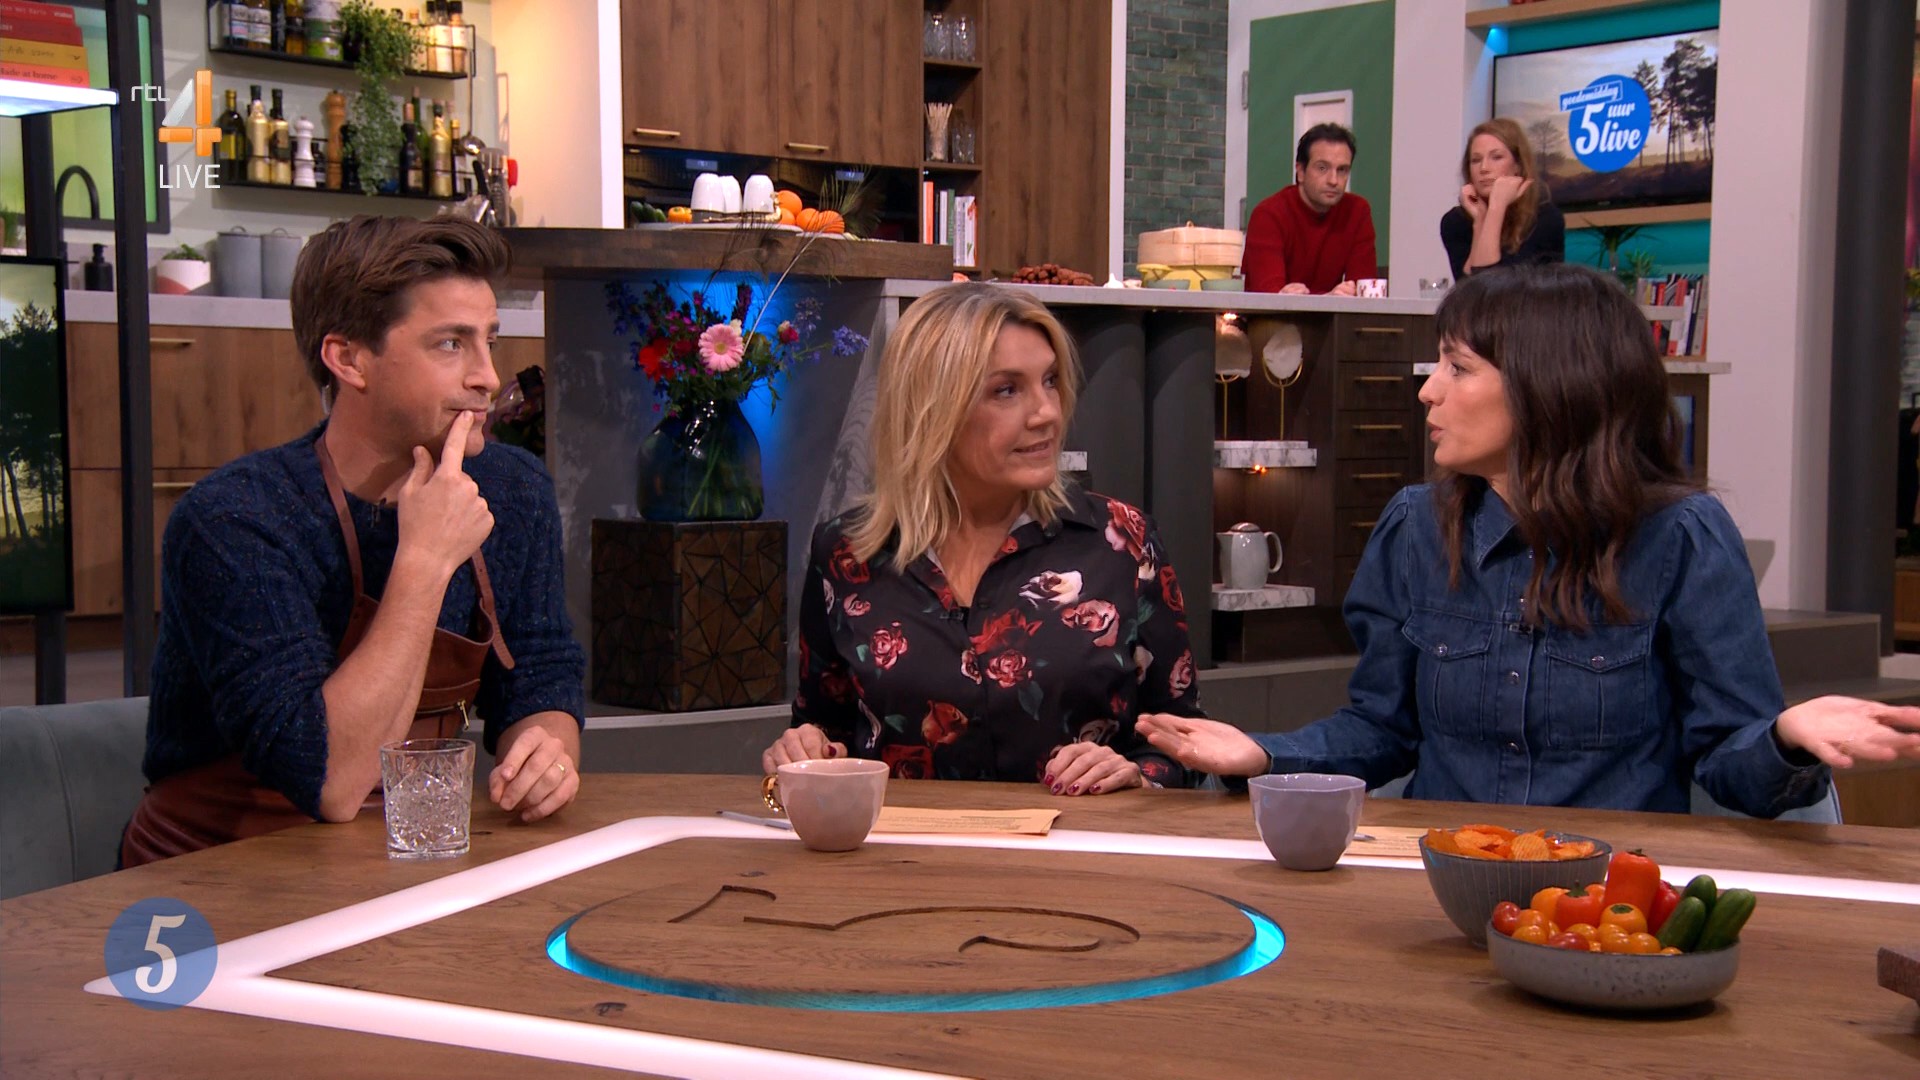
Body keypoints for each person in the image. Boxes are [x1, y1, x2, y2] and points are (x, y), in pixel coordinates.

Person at [1140, 264, 1920, 816]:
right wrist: (1264, 754)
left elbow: (1732, 767)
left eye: (1457, 368)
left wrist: (1786, 738)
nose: (1428, 390)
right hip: (1443, 879)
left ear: (1551, 388)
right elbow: (1381, 731)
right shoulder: (1416, 527)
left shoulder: (1682, 538)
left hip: (1606, 905)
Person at [123, 216, 586, 866]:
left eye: (489, 340)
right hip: (217, 874)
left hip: (399, 852)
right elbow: (330, 781)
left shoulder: (513, 490)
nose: (487, 375)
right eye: (450, 344)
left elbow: (540, 673)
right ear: (348, 359)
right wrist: (424, 558)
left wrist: (547, 750)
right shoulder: (235, 520)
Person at [760, 284, 1202, 794]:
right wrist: (805, 750)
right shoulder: (844, 552)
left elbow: (1186, 746)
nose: (1047, 412)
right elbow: (826, 727)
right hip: (900, 845)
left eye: (1051, 381)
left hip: (1077, 842)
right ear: (932, 410)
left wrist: (1137, 777)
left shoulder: (1123, 541)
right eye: (1007, 390)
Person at [1240, 123, 1378, 296]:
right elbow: (1269, 297)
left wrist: (1330, 300)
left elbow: (1364, 293)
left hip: (1329, 314)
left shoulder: (1357, 211)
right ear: (1300, 172)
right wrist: (1327, 300)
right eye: (1322, 168)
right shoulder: (1269, 215)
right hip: (1272, 314)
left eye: (1342, 170)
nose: (1333, 180)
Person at [1439, 118, 1565, 282]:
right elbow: (1471, 289)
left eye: (1496, 157)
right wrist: (1480, 221)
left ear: (1518, 165)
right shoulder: (1455, 222)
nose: (1484, 168)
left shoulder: (1545, 217)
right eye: (1476, 160)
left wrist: (1496, 207)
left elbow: (1495, 286)